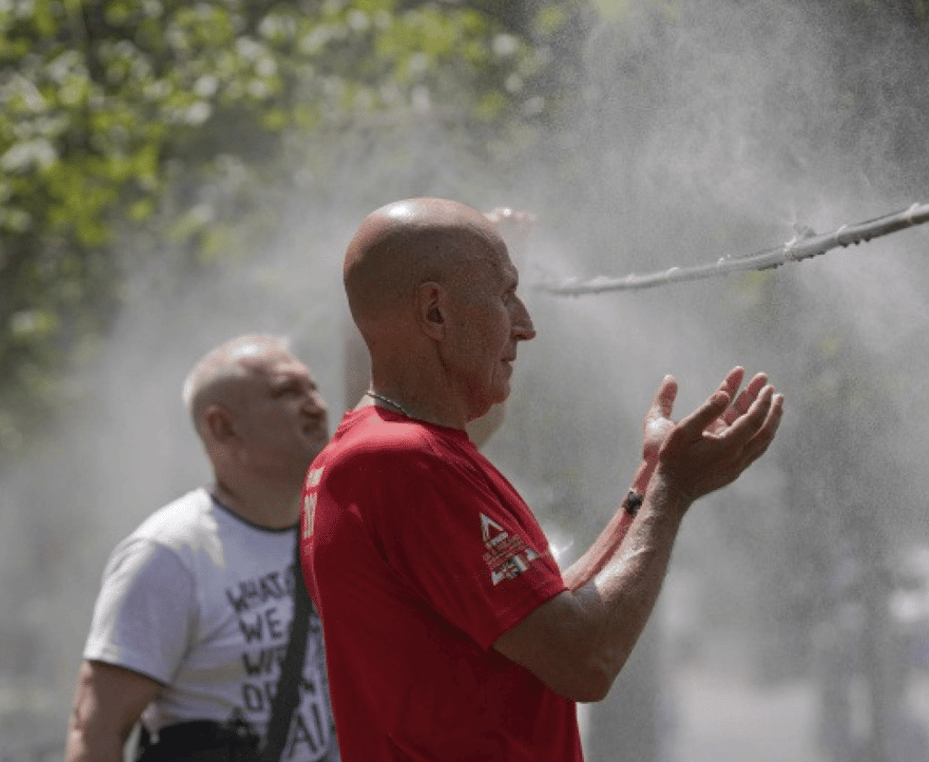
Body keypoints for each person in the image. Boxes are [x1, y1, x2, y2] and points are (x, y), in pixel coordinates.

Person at [300, 197, 785, 760]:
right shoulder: (404, 462)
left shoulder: (379, 452)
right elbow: (584, 659)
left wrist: (650, 483)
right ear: (434, 312)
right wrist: (672, 494)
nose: (525, 326)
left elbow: (549, 614)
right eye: (505, 296)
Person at [65, 335, 338, 762]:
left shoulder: (331, 529)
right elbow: (96, 731)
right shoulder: (170, 555)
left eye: (313, 388)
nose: (317, 406)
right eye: (287, 392)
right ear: (221, 427)